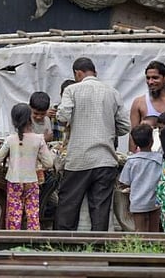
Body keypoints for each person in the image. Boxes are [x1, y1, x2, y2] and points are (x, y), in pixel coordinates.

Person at [55, 57, 130, 231]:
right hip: (105, 160)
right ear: (95, 72)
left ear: (77, 73)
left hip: (79, 159)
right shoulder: (113, 92)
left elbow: (63, 116)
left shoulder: (71, 90)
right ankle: (98, 244)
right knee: (100, 209)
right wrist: (107, 130)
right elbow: (125, 126)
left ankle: (62, 243)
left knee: (68, 205)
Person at [0, 103, 54, 230]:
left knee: (14, 215)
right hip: (32, 181)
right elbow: (49, 163)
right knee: (33, 214)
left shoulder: (10, 139)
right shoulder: (39, 139)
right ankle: (33, 239)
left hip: (14, 181)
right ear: (29, 118)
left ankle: (14, 239)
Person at [129, 61, 165, 154]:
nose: (150, 82)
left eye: (155, 78)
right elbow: (133, 135)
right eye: (148, 78)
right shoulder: (139, 103)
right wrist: (132, 157)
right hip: (145, 158)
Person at [118, 124, 163, 232]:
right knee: (154, 230)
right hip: (155, 200)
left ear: (134, 142)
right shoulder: (160, 159)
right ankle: (154, 242)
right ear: (152, 141)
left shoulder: (131, 161)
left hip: (137, 201)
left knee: (139, 230)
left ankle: (140, 243)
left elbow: (124, 181)